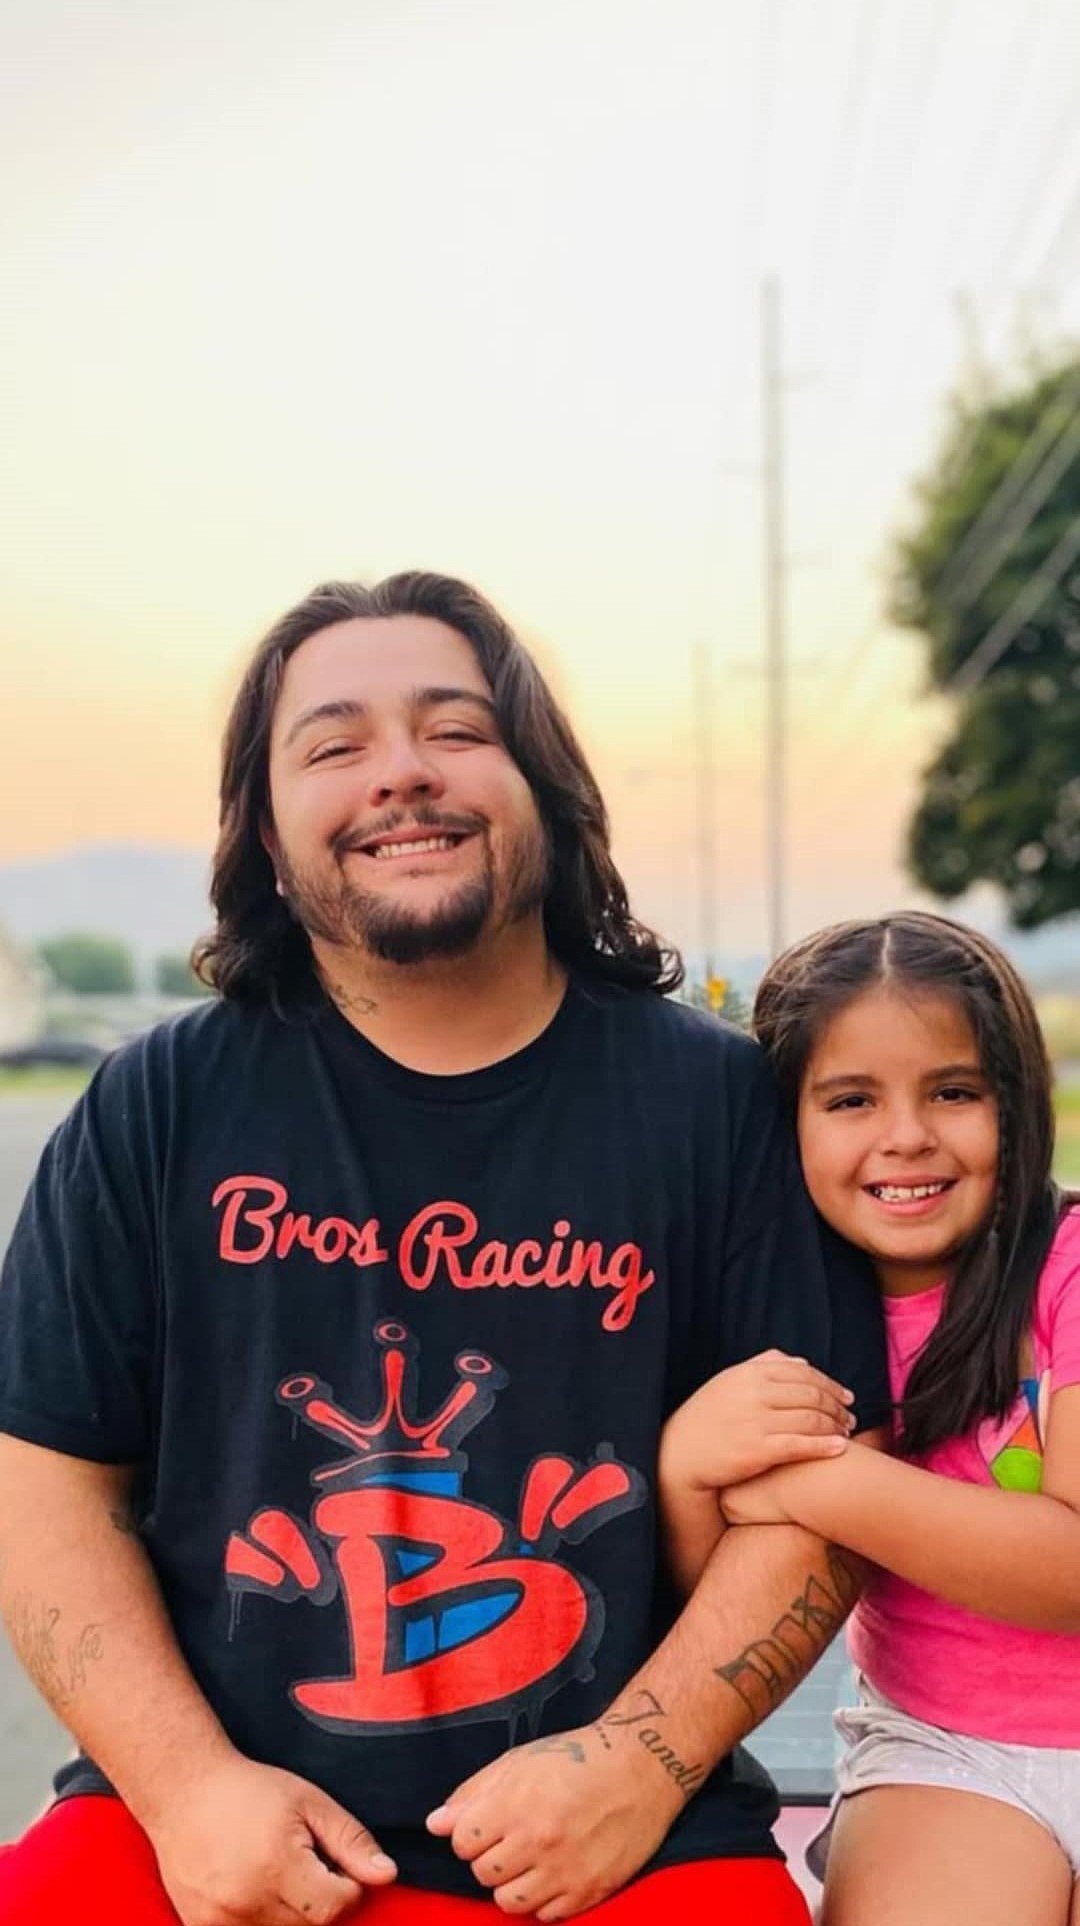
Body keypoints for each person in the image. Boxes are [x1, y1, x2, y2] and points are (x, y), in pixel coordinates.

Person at [0, 572, 889, 1926]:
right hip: (204, 1828)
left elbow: (828, 1488)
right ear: (266, 829)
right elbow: (47, 1483)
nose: (401, 773)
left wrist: (641, 1758)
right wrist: (185, 1790)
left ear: (544, 785)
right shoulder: (156, 1105)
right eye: (334, 745)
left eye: (456, 730)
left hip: (629, 1839)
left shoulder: (712, 1102)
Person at [662, 910, 1080, 1926]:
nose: (907, 1136)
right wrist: (684, 1469)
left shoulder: (1066, 1268)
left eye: (955, 1092)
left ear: (1018, 1103)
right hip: (948, 1747)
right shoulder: (776, 1316)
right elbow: (708, 1601)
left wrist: (824, 1477)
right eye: (851, 1099)